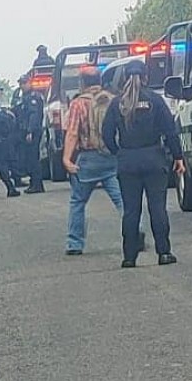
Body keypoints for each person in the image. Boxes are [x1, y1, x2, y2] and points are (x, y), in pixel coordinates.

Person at [102, 60, 185, 268]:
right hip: (154, 159)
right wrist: (178, 157)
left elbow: (106, 134)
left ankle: (129, 257)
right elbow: (170, 131)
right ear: (146, 77)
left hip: (128, 161)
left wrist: (119, 152)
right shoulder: (155, 101)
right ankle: (164, 252)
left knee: (131, 211)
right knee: (157, 208)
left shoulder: (117, 104)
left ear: (123, 79)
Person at [62, 67, 124, 255]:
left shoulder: (77, 104)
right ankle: (135, 233)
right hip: (111, 156)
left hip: (87, 159)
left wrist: (66, 158)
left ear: (82, 83)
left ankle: (75, 244)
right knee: (123, 200)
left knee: (78, 201)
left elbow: (72, 132)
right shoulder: (112, 100)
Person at [19, 74, 46, 194]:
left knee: (33, 158)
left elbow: (34, 115)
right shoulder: (25, 97)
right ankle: (34, 183)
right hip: (27, 131)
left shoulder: (33, 97)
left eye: (24, 83)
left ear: (30, 83)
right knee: (29, 158)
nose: (22, 86)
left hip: (33, 132)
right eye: (21, 83)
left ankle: (37, 184)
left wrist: (30, 131)